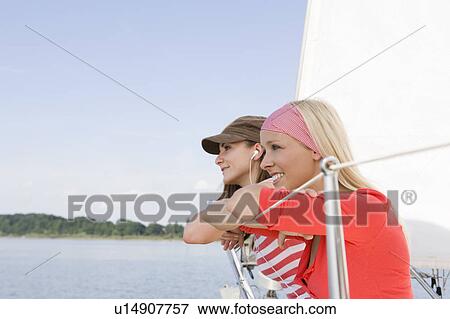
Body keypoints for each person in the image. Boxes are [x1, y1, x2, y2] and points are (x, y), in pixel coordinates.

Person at [222, 100, 413, 298]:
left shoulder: (367, 208)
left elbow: (240, 204)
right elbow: (220, 216)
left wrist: (252, 206)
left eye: (276, 147)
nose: (265, 163)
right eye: (265, 150)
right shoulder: (319, 223)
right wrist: (236, 224)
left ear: (315, 148)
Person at [183, 115, 309, 298]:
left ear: (256, 150)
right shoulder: (255, 200)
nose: (218, 160)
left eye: (227, 148)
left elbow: (195, 233)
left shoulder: (281, 189)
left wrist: (239, 218)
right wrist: (244, 222)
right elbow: (193, 233)